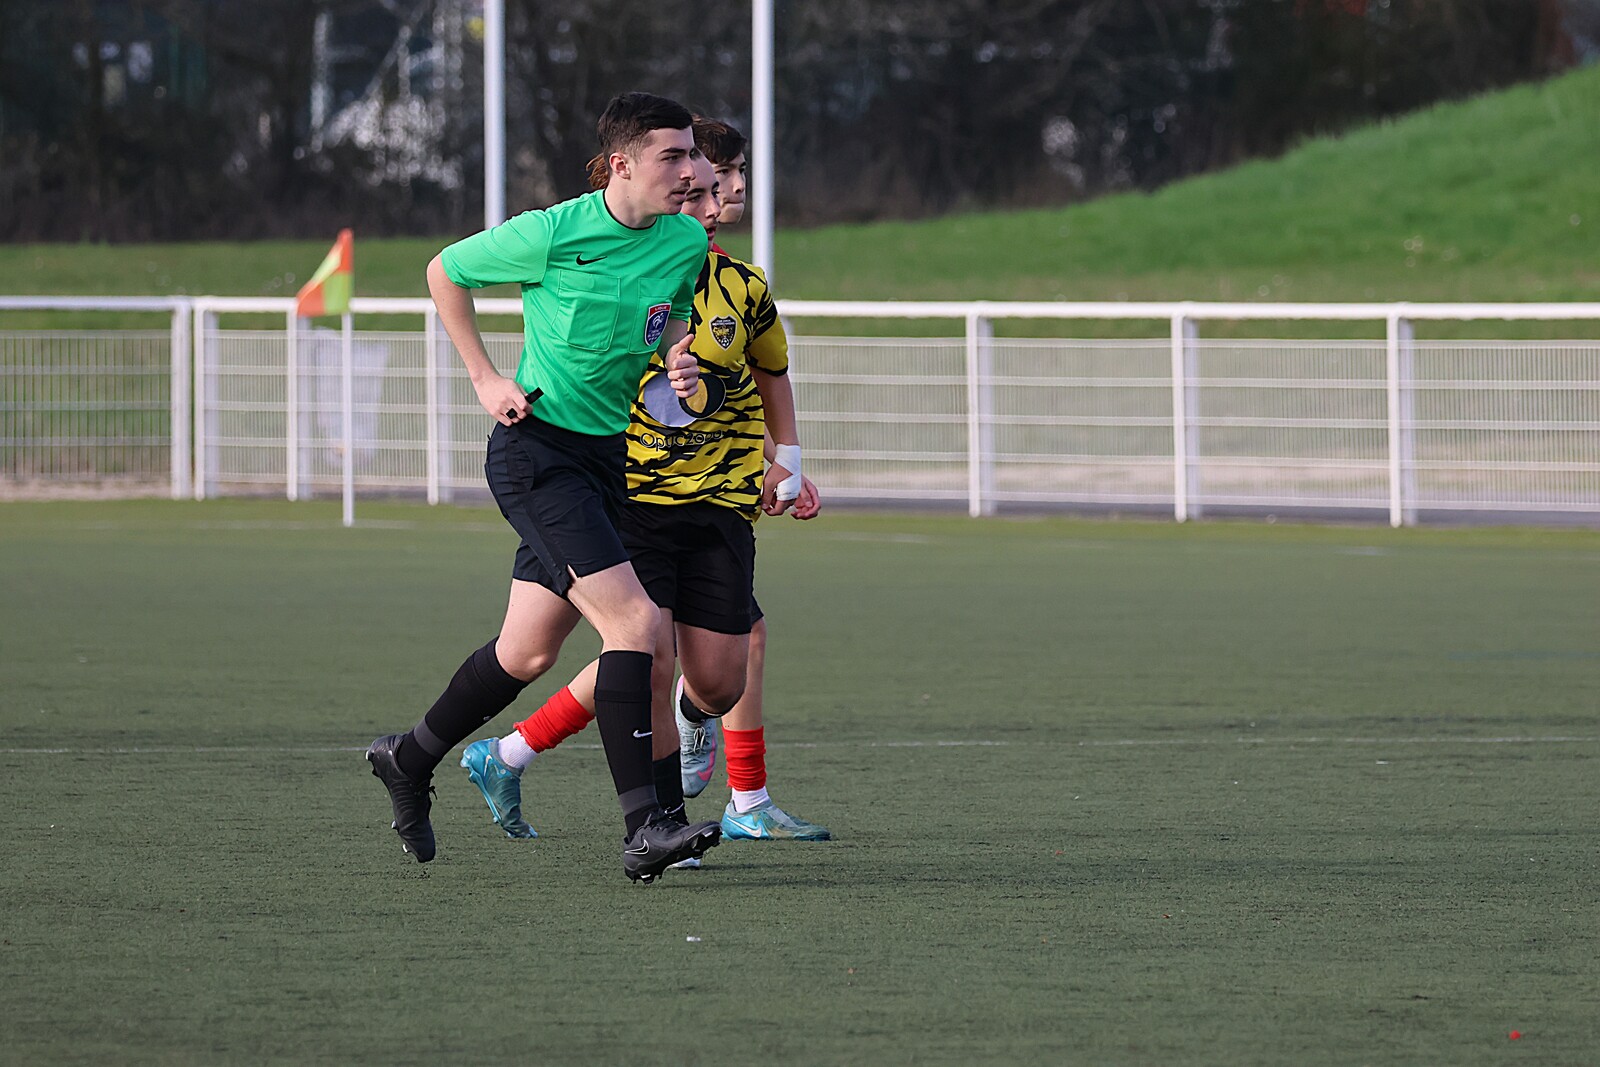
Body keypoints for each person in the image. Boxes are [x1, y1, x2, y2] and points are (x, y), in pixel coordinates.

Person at [365, 91, 724, 884]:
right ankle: (646, 828)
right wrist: (485, 377)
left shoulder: (683, 242)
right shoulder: (554, 232)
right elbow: (443, 271)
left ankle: (408, 756)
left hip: (604, 461)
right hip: (536, 454)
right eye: (673, 156)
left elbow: (667, 318)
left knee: (526, 651)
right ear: (622, 164)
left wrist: (677, 354)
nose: (690, 171)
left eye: (692, 155)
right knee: (638, 626)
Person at [460, 117, 830, 852]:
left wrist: (782, 457)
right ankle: (677, 818)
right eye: (709, 182)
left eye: (727, 180)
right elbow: (597, 377)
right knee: (640, 647)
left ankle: (514, 751)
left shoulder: (738, 285)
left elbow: (755, 382)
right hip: (630, 497)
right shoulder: (624, 262)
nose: (723, 195)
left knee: (718, 672)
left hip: (718, 504)